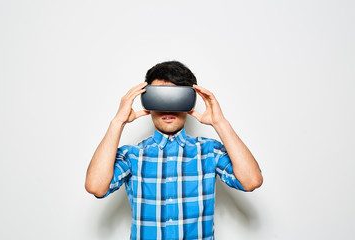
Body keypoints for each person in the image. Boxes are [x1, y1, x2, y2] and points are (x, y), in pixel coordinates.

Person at [85, 61, 263, 240]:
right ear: (147, 101)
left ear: (190, 100)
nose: (168, 108)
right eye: (160, 98)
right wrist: (117, 122)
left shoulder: (209, 151)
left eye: (176, 97)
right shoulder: (132, 155)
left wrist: (220, 123)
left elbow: (251, 181)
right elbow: (96, 187)